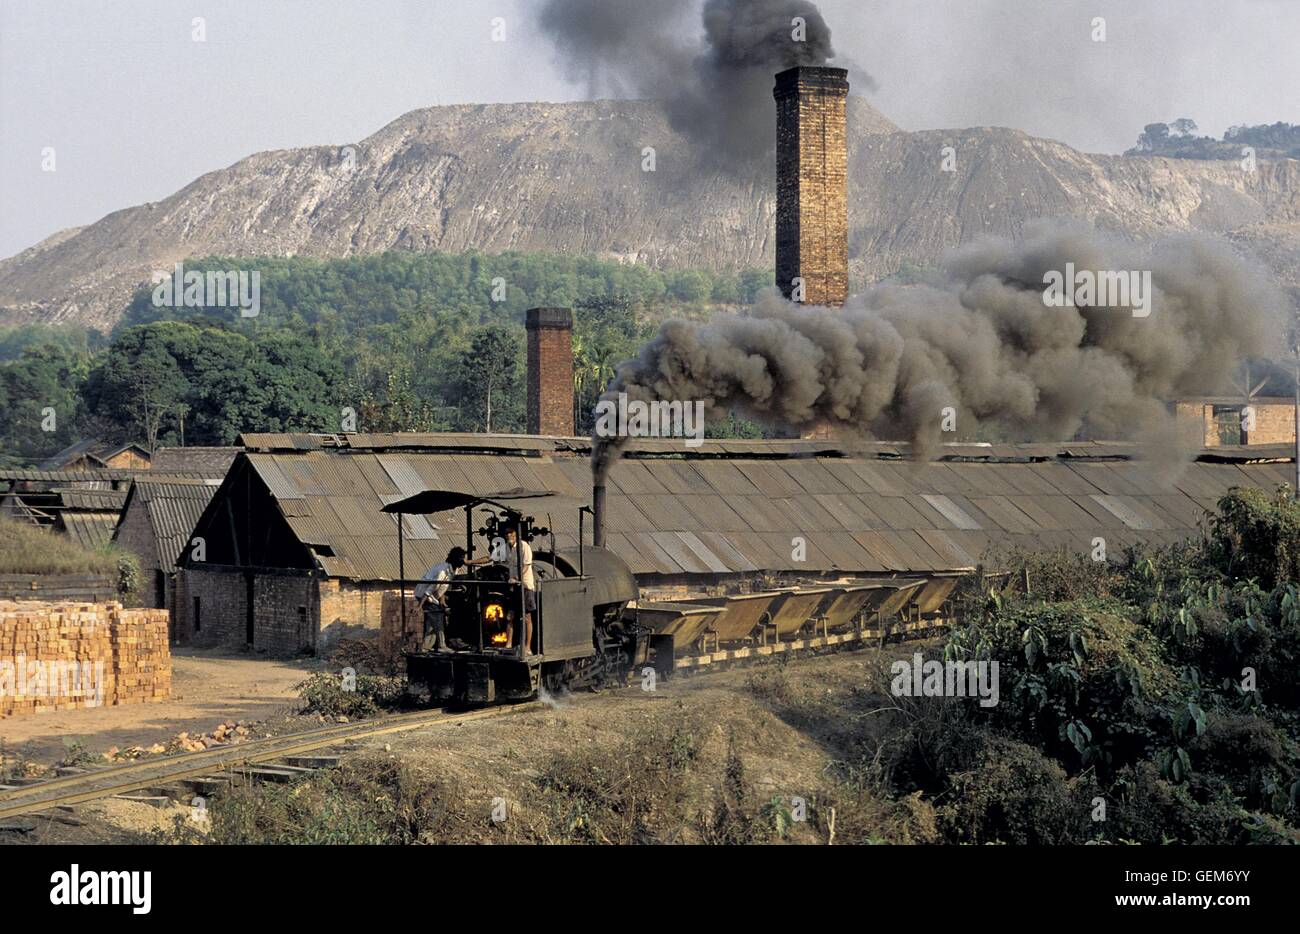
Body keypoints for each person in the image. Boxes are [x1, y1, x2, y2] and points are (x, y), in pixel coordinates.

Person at [414, 547, 467, 652]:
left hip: (433, 596)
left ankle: (425, 647)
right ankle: (442, 646)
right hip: (424, 595)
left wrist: (442, 600)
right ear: (456, 559)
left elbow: (444, 587)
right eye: (462, 558)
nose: (463, 561)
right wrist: (419, 606)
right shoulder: (442, 572)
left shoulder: (452, 570)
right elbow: (430, 589)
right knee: (438, 619)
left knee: (431, 623)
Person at [496, 525, 536, 654]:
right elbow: (492, 558)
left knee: (527, 617)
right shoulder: (505, 548)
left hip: (525, 586)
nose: (509, 537)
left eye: (511, 535)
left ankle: (527, 647)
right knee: (510, 616)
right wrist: (471, 562)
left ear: (516, 535)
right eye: (507, 535)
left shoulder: (524, 546)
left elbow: (526, 566)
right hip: (513, 587)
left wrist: (516, 578)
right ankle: (508, 644)